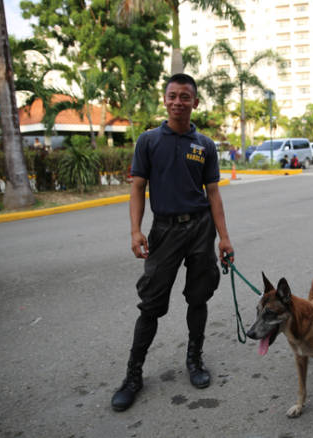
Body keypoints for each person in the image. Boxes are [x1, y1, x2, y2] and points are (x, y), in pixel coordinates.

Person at [111, 73, 235, 412]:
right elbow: (137, 187)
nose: (178, 102)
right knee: (151, 304)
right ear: (164, 99)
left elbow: (213, 194)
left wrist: (223, 238)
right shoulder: (148, 141)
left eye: (185, 96)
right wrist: (135, 230)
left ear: (195, 102)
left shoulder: (205, 145)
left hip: (200, 230)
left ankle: (194, 360)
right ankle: (133, 375)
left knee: (199, 297)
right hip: (164, 231)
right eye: (172, 95)